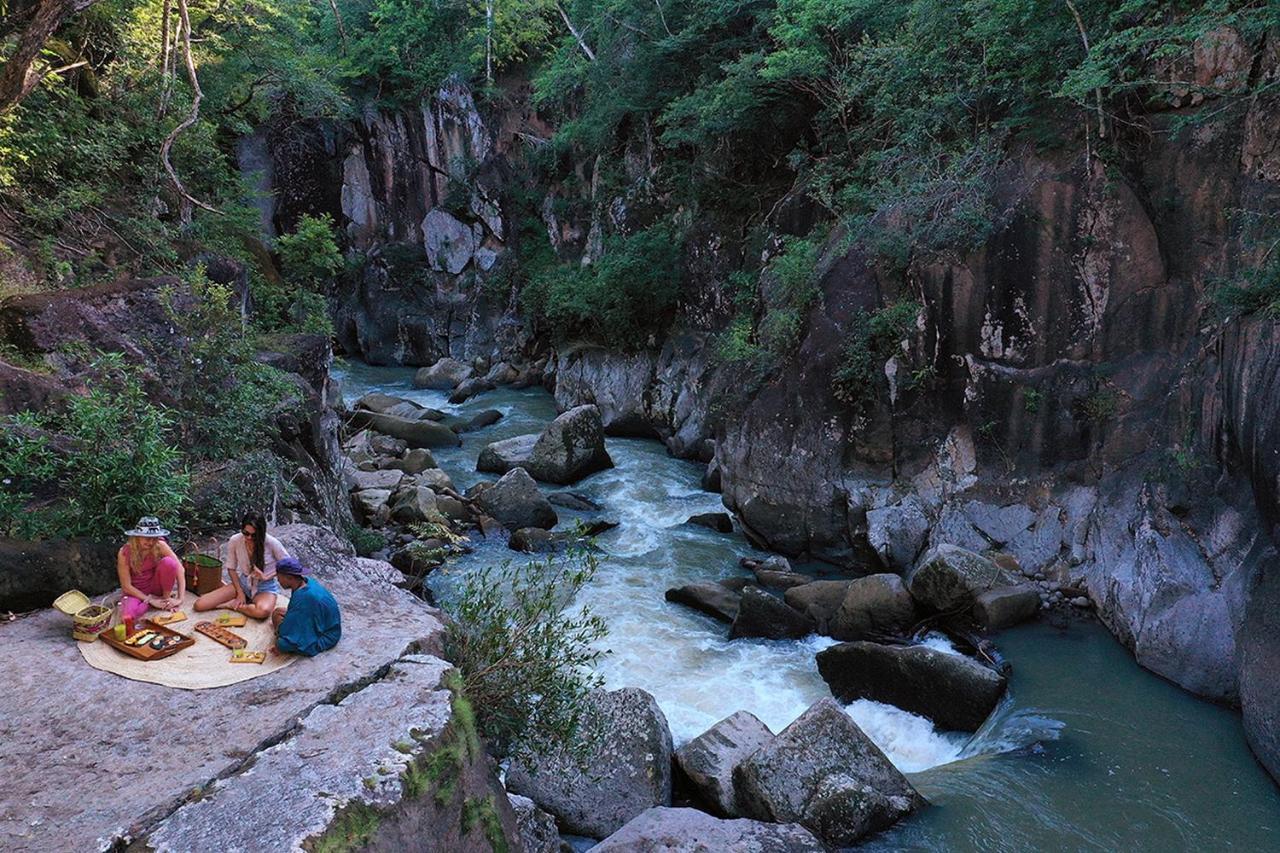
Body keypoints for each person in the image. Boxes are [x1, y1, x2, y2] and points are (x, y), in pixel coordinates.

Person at [194, 511, 289, 619]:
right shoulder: (235, 540)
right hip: (243, 584)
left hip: (265, 587)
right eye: (245, 533)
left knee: (262, 612)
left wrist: (266, 576)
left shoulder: (272, 543)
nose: (249, 537)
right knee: (200, 604)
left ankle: (232, 605)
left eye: (254, 535)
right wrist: (240, 593)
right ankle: (241, 601)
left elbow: (289, 565)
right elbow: (231, 568)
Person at [117, 516, 184, 620]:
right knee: (128, 617)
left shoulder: (160, 545)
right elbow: (126, 586)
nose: (151, 542)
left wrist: (180, 598)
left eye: (154, 538)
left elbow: (179, 568)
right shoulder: (124, 552)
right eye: (147, 538)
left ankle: (165, 599)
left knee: (169, 563)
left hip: (154, 586)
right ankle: (153, 602)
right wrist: (150, 600)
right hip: (135, 590)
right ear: (137, 536)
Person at [271, 557, 341, 656]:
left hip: (326, 635)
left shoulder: (305, 598)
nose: (278, 580)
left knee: (282, 644)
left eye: (279, 577)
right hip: (315, 619)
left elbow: (294, 630)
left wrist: (282, 639)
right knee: (277, 612)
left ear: (289, 578)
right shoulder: (305, 581)